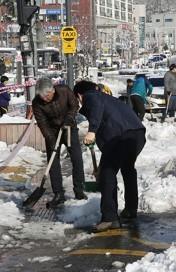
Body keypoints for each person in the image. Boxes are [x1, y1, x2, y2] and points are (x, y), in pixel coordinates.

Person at [73, 80, 146, 232]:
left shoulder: (91, 97)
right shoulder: (109, 98)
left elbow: (97, 111)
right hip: (136, 134)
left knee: (108, 175)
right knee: (128, 169)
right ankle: (131, 210)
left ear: (79, 95)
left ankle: (109, 217)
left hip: (120, 136)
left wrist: (92, 130)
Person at [32, 77, 87, 208]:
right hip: (52, 131)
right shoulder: (36, 103)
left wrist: (69, 118)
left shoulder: (64, 91)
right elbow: (42, 123)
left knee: (77, 158)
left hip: (69, 128)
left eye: (46, 96)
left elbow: (74, 105)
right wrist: (50, 139)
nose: (44, 99)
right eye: (42, 96)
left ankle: (79, 190)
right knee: (53, 162)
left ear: (52, 91)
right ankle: (58, 194)